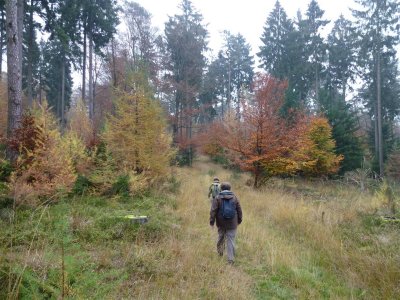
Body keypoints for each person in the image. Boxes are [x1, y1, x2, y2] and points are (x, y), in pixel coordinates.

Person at [210, 182, 242, 264]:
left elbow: (213, 211)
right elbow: (239, 210)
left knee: (221, 237)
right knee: (231, 240)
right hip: (232, 223)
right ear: (230, 188)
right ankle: (230, 259)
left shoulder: (217, 197)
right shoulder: (235, 197)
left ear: (221, 188)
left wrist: (212, 222)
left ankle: (220, 253)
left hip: (221, 222)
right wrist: (239, 220)